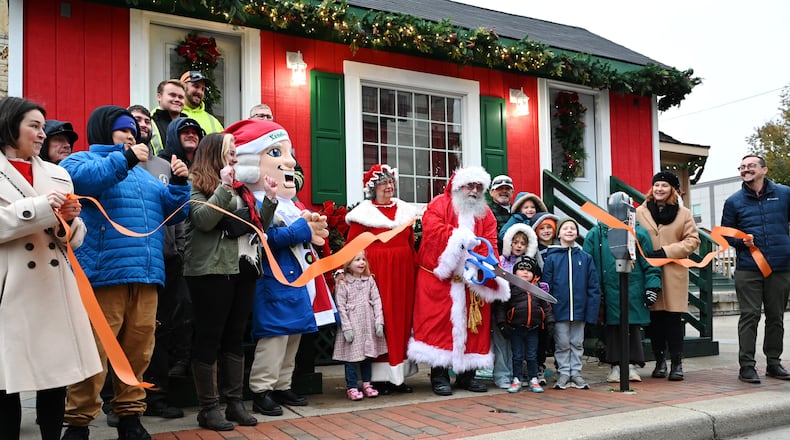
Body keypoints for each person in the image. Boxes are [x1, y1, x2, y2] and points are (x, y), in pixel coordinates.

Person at [60, 105, 190, 440]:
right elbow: (85, 182)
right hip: (104, 276)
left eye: (134, 129)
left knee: (138, 352)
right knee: (95, 354)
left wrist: (178, 184)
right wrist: (127, 158)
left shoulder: (144, 175)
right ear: (104, 131)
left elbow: (173, 214)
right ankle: (78, 422)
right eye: (123, 129)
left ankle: (130, 416)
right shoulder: (80, 161)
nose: (132, 134)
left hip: (146, 277)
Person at [0, 97, 101, 440]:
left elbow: (75, 238)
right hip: (9, 289)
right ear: (9, 126)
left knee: (55, 377)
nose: (42, 134)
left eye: (43, 127)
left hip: (51, 287)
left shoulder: (58, 174)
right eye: (34, 126)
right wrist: (41, 208)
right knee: (5, 381)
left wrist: (67, 223)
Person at [225, 119, 330, 417]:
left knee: (293, 333)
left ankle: (283, 384)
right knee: (274, 336)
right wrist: (301, 231)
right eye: (276, 153)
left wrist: (314, 227)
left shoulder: (291, 204)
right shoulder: (250, 201)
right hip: (272, 277)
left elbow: (304, 232)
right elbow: (262, 237)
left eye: (288, 153)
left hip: (297, 278)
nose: (289, 161)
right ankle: (262, 390)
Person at [185, 132, 277, 430]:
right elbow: (203, 220)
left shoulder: (243, 189)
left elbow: (256, 224)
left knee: (235, 337)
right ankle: (209, 408)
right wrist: (223, 186)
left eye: (236, 153)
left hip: (243, 268)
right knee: (209, 338)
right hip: (211, 271)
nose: (235, 158)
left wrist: (270, 199)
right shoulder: (196, 184)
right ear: (215, 155)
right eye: (230, 152)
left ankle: (234, 403)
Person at [408, 166, 509, 396]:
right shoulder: (438, 205)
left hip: (472, 281)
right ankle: (440, 375)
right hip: (440, 280)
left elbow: (490, 242)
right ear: (457, 186)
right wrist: (459, 239)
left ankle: (467, 375)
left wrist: (487, 268)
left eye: (478, 187)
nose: (473, 191)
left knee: (473, 329)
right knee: (439, 327)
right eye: (469, 185)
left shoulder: (486, 213)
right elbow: (432, 232)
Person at [344, 164, 418, 394]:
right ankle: (376, 378)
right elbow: (350, 249)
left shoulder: (404, 211)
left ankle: (398, 376)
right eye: (383, 183)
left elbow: (411, 244)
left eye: (391, 182)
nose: (389, 187)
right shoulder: (362, 216)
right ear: (373, 188)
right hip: (376, 275)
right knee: (379, 318)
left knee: (401, 320)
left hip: (403, 274)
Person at [721, 155, 790, 384]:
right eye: (742, 167)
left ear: (764, 170)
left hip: (780, 266)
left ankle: (773, 363)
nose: (745, 169)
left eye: (751, 166)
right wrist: (742, 242)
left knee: (776, 317)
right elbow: (726, 234)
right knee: (749, 316)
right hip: (748, 268)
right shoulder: (733, 201)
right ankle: (747, 366)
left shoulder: (785, 194)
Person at [584, 193, 662, 383]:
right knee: (612, 328)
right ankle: (615, 365)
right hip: (608, 288)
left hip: (632, 286)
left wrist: (652, 286)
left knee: (632, 327)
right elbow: (589, 260)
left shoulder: (639, 233)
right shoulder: (597, 233)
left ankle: (632, 364)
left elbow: (649, 262)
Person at [636, 171, 700, 382]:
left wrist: (666, 251)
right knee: (654, 320)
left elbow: (692, 241)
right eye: (656, 185)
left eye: (664, 186)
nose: (659, 189)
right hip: (648, 272)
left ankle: (677, 363)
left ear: (672, 189)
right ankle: (660, 361)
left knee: (673, 319)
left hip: (673, 272)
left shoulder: (684, 214)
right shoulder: (640, 212)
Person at [542, 217, 600, 390]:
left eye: (572, 228)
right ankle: (564, 372)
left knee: (577, 342)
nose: (569, 231)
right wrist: (549, 311)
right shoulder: (552, 258)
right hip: (560, 311)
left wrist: (591, 312)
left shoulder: (585, 258)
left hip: (580, 310)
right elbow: (547, 286)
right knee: (562, 343)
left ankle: (576, 372)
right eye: (565, 228)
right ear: (559, 233)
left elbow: (593, 286)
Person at [332, 251, 388, 401]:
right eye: (357, 260)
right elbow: (341, 306)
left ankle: (367, 384)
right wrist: (347, 328)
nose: (362, 262)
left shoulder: (369, 280)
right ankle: (351, 387)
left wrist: (379, 322)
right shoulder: (343, 283)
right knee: (352, 357)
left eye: (363, 259)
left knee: (367, 356)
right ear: (348, 264)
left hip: (367, 324)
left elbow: (376, 301)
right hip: (353, 324)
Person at [495, 256, 553, 394]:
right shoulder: (510, 288)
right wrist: (502, 323)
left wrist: (550, 322)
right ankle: (517, 379)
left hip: (533, 329)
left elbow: (546, 307)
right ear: (515, 273)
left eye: (529, 270)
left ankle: (533, 379)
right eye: (521, 269)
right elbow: (501, 307)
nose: (525, 272)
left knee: (532, 355)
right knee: (517, 356)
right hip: (515, 329)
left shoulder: (538, 289)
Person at [490, 223, 539, 389]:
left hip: (522, 313)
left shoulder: (530, 264)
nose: (518, 246)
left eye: (523, 243)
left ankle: (519, 374)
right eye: (515, 242)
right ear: (509, 243)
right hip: (503, 307)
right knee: (501, 343)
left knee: (520, 347)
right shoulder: (501, 261)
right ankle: (502, 375)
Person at [151, 79, 188, 153]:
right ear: (159, 96)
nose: (177, 99)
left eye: (181, 97)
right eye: (172, 95)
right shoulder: (149, 124)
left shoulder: (190, 125)